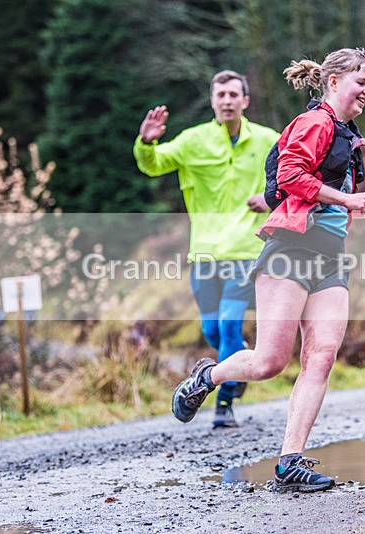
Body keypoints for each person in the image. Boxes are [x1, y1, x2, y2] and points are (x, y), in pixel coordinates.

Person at [170, 48, 365, 492]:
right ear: (334, 81)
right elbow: (289, 178)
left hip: (330, 257)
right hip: (290, 251)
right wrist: (348, 198)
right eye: (361, 82)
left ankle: (290, 462)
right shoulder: (314, 122)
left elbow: (331, 204)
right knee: (269, 362)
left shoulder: (347, 135)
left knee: (321, 356)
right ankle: (208, 376)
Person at [134, 71, 279, 428]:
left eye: (234, 94)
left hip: (247, 249)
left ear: (245, 101)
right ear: (212, 100)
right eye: (221, 95)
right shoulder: (192, 140)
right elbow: (153, 165)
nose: (227, 101)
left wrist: (270, 197)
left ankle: (224, 405)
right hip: (204, 251)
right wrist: (146, 142)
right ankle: (238, 363)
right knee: (212, 330)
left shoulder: (268, 140)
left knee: (228, 324)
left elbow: (294, 174)